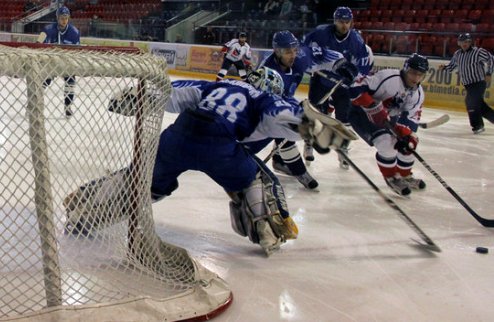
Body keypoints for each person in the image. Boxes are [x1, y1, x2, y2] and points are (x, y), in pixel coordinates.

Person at [64, 67, 356, 256]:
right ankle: (266, 230)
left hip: (178, 135)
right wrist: (310, 124)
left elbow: (173, 94)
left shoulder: (217, 85)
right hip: (220, 145)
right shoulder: (266, 98)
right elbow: (283, 113)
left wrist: (138, 97)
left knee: (144, 183)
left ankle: (86, 211)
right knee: (257, 179)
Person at [248, 30, 357, 190]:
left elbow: (326, 55)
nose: (292, 55)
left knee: (290, 126)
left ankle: (279, 162)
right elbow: (267, 108)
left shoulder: (301, 55)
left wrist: (341, 65)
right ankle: (298, 171)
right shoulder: (268, 72)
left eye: (294, 50)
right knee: (283, 128)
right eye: (287, 52)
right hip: (265, 106)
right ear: (276, 51)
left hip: (286, 98)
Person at [348, 53, 429, 196]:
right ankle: (391, 177)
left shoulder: (418, 94)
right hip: (361, 114)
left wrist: (406, 135)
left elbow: (410, 120)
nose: (416, 78)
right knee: (386, 143)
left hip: (387, 119)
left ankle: (405, 175)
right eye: (413, 73)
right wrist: (371, 104)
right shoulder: (388, 77)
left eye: (420, 75)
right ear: (405, 69)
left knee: (410, 144)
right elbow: (355, 88)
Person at [302, 6, 373, 169]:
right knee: (315, 113)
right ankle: (309, 144)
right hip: (321, 79)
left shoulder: (356, 40)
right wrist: (315, 60)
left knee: (344, 118)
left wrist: (353, 73)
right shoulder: (320, 33)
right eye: (341, 21)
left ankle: (343, 149)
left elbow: (362, 65)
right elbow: (303, 49)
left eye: (347, 22)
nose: (344, 25)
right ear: (335, 21)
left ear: (352, 23)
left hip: (342, 84)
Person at [438, 33, 494, 134]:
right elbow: (451, 67)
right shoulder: (457, 54)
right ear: (459, 43)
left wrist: (489, 73)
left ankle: (478, 126)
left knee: (470, 101)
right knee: (481, 106)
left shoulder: (478, 52)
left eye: (467, 41)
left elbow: (491, 59)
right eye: (463, 42)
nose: (465, 44)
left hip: (478, 83)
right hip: (468, 85)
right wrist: (444, 68)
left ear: (470, 42)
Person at [37, 6, 80, 117]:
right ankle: (34, 103)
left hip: (66, 63)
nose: (64, 20)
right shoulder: (47, 30)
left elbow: (77, 51)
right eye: (62, 18)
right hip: (51, 63)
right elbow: (37, 44)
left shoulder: (75, 32)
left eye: (66, 17)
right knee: (43, 83)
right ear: (57, 18)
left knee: (70, 82)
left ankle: (68, 106)